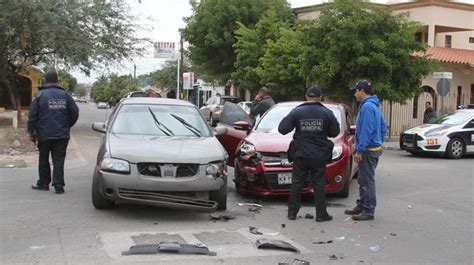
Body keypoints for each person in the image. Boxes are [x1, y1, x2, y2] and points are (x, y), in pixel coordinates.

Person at [278, 86, 340, 222]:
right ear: (320, 97)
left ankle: (292, 213)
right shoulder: (327, 113)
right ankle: (321, 214)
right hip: (319, 155)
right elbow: (335, 132)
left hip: (301, 154)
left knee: (297, 183)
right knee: (319, 184)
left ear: (306, 97)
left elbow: (282, 129)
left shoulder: (297, 112)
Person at [28, 71, 79, 194]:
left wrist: (31, 131)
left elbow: (32, 115)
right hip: (62, 135)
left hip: (44, 134)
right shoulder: (66, 95)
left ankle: (44, 183)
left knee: (43, 158)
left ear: (46, 81)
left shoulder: (39, 96)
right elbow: (75, 113)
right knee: (59, 160)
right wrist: (67, 125)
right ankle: (58, 186)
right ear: (57, 81)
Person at [345, 80, 387, 221]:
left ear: (362, 90)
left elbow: (366, 131)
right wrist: (380, 142)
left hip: (368, 150)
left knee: (367, 180)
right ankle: (361, 205)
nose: (355, 93)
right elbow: (383, 126)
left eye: (356, 90)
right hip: (372, 148)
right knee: (363, 179)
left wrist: (359, 150)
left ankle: (368, 210)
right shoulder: (373, 105)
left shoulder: (368, 107)